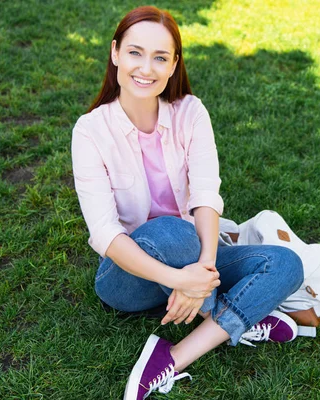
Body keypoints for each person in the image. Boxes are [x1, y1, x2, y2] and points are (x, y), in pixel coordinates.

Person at [71, 6, 304, 399]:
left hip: (196, 256)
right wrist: (183, 281)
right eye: (135, 53)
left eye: (160, 57)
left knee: (286, 263)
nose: (146, 68)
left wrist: (204, 269)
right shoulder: (91, 130)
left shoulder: (190, 113)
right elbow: (106, 234)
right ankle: (235, 314)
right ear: (115, 53)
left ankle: (174, 356)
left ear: (174, 63)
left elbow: (205, 196)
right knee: (172, 231)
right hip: (128, 276)